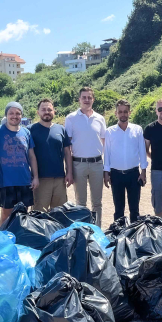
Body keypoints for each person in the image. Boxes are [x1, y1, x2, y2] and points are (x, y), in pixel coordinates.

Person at [65, 87, 107, 227]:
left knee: (97, 203)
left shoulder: (100, 118)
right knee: (80, 203)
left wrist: (106, 167)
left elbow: (105, 143)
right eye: (84, 97)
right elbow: (67, 146)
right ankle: (82, 231)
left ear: (93, 99)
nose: (87, 100)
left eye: (89, 97)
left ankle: (97, 231)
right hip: (78, 164)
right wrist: (69, 171)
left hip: (97, 163)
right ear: (79, 99)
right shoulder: (70, 118)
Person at [103, 99, 148, 222]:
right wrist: (106, 173)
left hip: (134, 174)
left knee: (135, 209)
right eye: (120, 112)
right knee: (119, 209)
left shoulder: (137, 129)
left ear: (129, 112)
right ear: (116, 113)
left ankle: (134, 235)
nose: (123, 114)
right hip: (116, 175)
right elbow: (107, 153)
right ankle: (118, 236)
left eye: (125, 111)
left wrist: (143, 171)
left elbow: (142, 151)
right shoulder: (110, 131)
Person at [29, 98, 73, 211]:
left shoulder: (61, 129)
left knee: (59, 213)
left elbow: (68, 152)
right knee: (39, 214)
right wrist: (34, 177)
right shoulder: (30, 130)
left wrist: (69, 172)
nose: (46, 112)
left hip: (59, 179)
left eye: (49, 109)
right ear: (38, 112)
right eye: (43, 109)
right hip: (40, 180)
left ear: (54, 111)